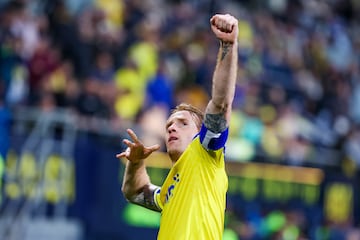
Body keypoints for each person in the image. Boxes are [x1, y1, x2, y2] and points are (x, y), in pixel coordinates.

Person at [117, 13, 238, 239]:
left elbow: (220, 103)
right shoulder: (172, 186)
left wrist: (228, 45)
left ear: (200, 133)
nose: (172, 128)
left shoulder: (204, 153)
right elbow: (134, 193)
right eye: (169, 125)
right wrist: (135, 163)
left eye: (183, 123)